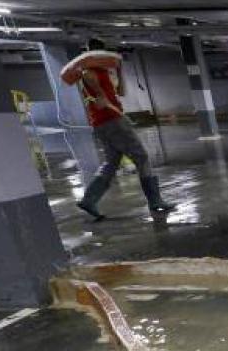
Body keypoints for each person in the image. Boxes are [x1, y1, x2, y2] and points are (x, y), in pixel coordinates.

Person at [65, 38, 176, 221]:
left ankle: (89, 200)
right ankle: (155, 201)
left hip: (103, 122)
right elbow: (94, 87)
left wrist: (119, 70)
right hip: (112, 120)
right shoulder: (89, 72)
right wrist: (100, 94)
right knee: (141, 157)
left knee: (111, 162)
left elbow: (121, 92)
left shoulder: (104, 72)